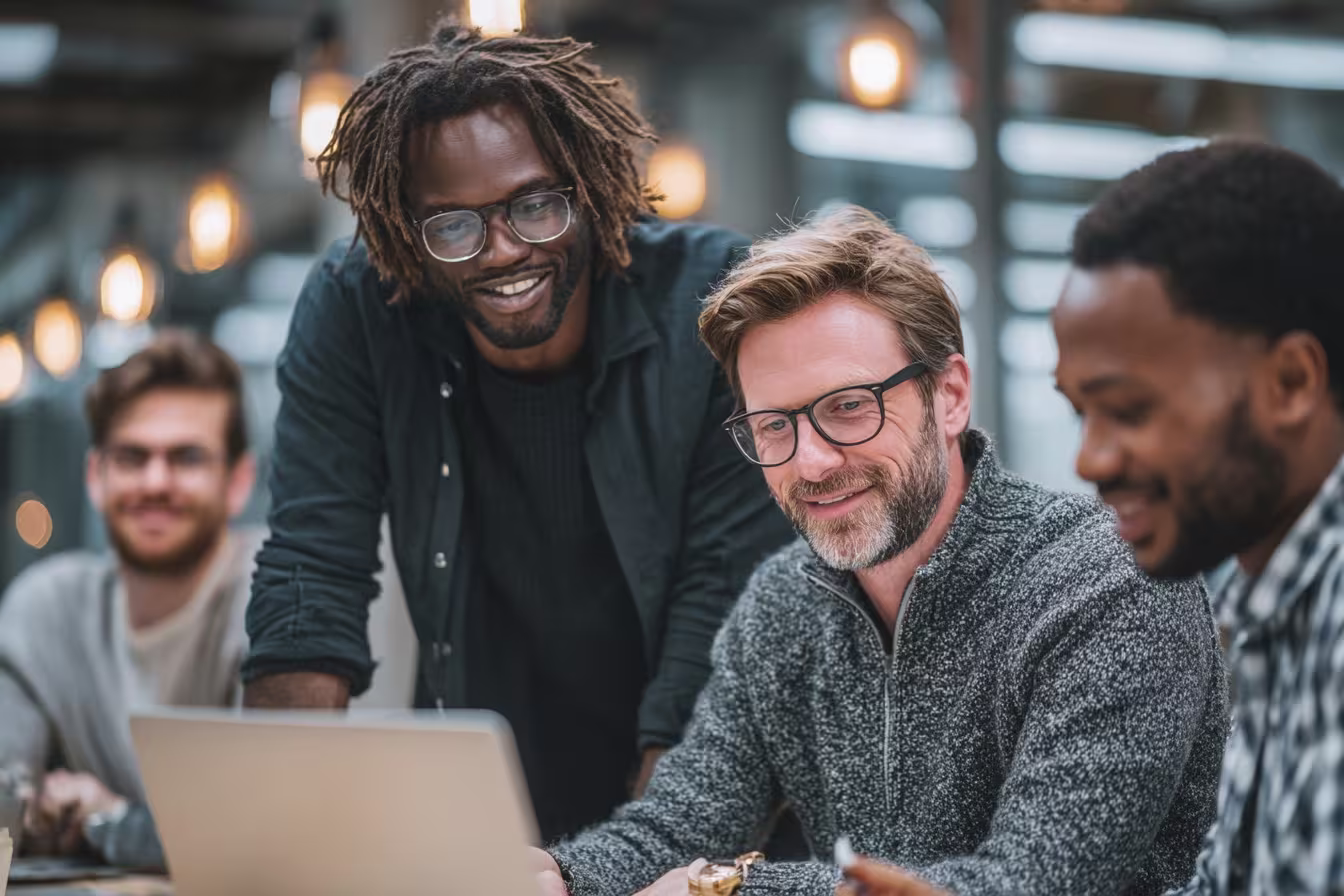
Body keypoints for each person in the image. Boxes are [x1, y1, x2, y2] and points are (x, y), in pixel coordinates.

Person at [531, 204, 1229, 896]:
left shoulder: (1114, 584)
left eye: (848, 407)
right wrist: (560, 877)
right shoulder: (784, 602)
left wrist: (725, 890)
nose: (811, 462)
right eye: (774, 425)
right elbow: (681, 824)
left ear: (950, 396)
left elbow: (1029, 882)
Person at [240, 19, 792, 842]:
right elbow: (310, 572)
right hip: (487, 817)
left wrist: (630, 867)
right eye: (453, 225)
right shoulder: (360, 308)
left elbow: (720, 611)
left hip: (696, 810)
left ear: (588, 187)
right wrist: (277, 842)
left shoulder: (711, 303)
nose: (501, 252)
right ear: (405, 233)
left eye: (534, 206)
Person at [1054, 140, 1344, 896]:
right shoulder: (1277, 607)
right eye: (1082, 413)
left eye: (1129, 409)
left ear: (1289, 383)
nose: (1091, 460)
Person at [0, 330, 260, 868]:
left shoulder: (281, 591)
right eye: (132, 457)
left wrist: (107, 820)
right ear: (96, 476)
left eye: (187, 458)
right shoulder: (48, 608)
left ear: (238, 481)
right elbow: (5, 804)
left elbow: (263, 836)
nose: (156, 481)